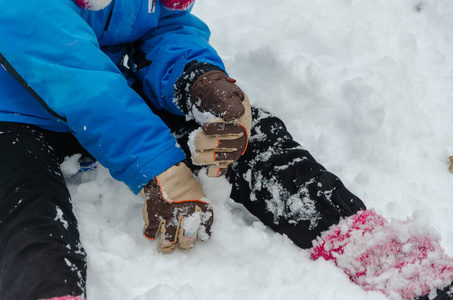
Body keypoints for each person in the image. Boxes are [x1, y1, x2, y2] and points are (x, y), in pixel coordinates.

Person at [0, 0, 452, 299]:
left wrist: (197, 81)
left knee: (250, 137)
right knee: (28, 211)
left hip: (121, 92)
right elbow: (78, 78)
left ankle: (365, 245)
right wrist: (159, 168)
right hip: (15, 113)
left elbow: (163, 26)